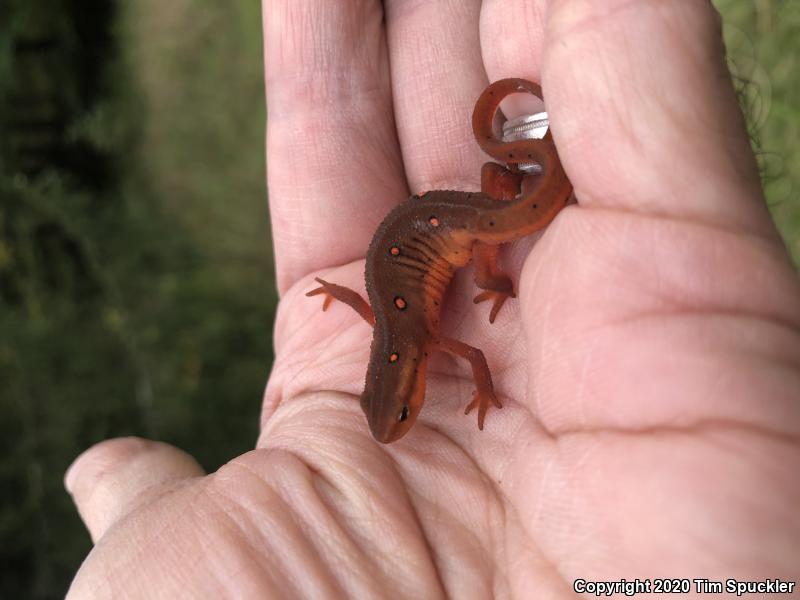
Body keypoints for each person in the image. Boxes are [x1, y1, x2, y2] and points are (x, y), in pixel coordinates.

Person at [65, 0, 800, 596]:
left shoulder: (415, 341)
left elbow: (469, 350)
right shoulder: (396, 339)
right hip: (448, 219)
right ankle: (513, 165)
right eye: (405, 410)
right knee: (504, 206)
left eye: (405, 405)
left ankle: (517, 175)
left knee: (504, 235)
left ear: (402, 378)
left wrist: (494, 290)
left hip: (454, 230)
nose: (406, 411)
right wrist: (340, 292)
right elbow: (375, 315)